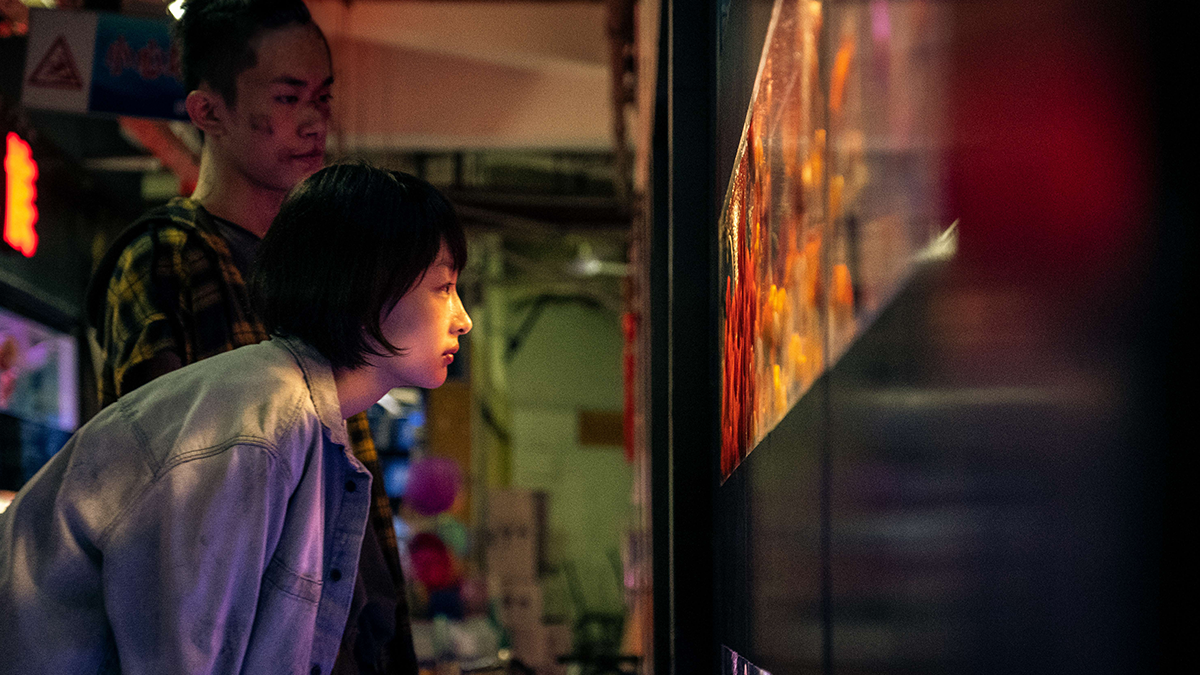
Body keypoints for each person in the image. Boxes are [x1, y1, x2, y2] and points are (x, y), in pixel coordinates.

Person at [0, 165, 472, 674]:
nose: (462, 318)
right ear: (367, 285)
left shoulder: (303, 416)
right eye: (443, 287)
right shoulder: (261, 428)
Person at [84, 0, 416, 671]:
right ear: (208, 112)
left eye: (322, 95)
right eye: (289, 96)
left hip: (349, 638)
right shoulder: (165, 258)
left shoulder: (320, 273)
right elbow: (162, 512)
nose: (315, 118)